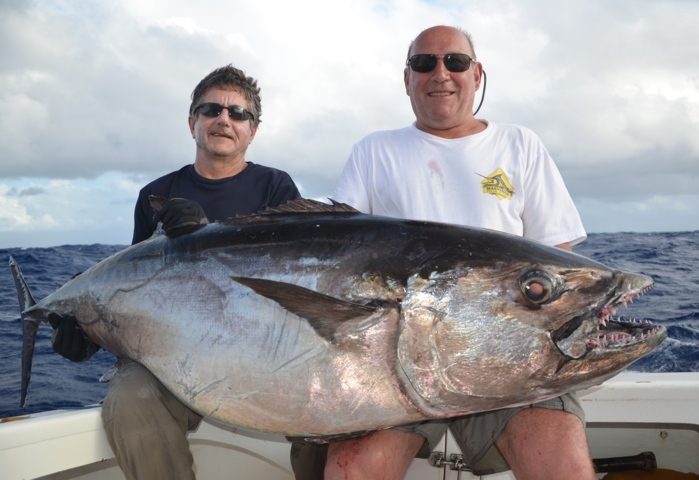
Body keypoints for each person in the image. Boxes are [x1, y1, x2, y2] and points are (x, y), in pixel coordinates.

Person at [290, 25, 595, 480]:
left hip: (507, 361)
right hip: (395, 361)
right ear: (407, 78)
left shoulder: (519, 144)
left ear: (477, 73)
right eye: (424, 63)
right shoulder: (375, 151)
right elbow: (340, 256)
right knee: (352, 470)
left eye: (454, 62)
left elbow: (557, 261)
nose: (440, 73)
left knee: (563, 468)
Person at [50, 64, 300, 480]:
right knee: (128, 398)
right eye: (212, 109)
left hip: (260, 356)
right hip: (171, 358)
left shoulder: (277, 188)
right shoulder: (156, 195)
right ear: (192, 122)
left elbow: (290, 282)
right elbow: (133, 288)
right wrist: (91, 335)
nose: (224, 119)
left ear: (252, 131)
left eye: (239, 114)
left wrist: (207, 235)